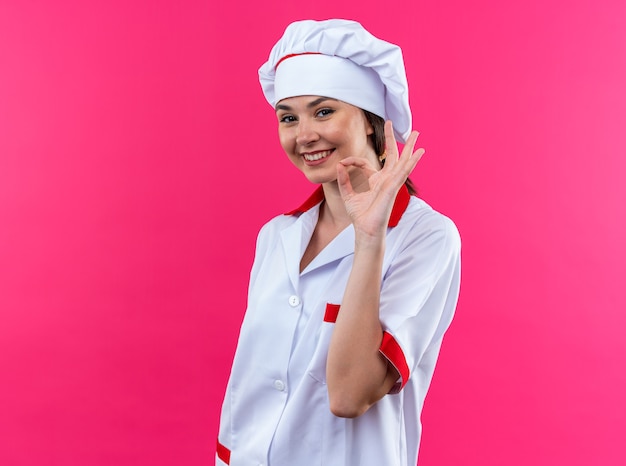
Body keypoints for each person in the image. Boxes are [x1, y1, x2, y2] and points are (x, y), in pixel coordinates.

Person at [216, 19, 461, 466]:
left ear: (370, 123)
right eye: (288, 117)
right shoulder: (277, 237)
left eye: (323, 111)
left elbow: (349, 395)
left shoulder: (425, 237)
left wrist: (369, 240)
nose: (303, 134)